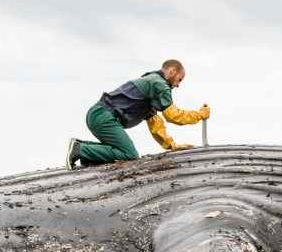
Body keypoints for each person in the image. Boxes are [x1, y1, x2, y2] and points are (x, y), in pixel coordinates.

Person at [66, 59, 210, 169]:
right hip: (104, 116)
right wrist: (199, 114)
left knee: (122, 151)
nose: (178, 85)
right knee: (129, 155)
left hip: (99, 115)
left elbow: (156, 125)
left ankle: (86, 153)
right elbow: (172, 116)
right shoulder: (159, 84)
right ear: (172, 71)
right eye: (179, 79)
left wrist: (172, 146)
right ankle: (81, 149)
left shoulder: (151, 86)